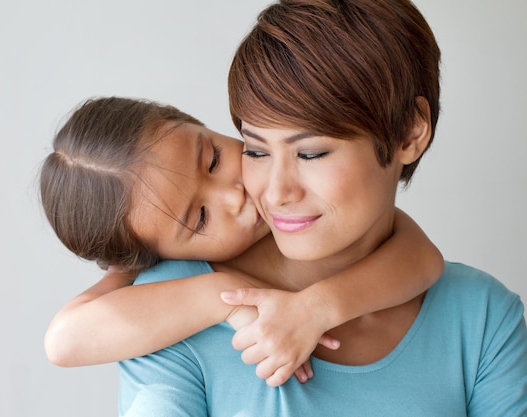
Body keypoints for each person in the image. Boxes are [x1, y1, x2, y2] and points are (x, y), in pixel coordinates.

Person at [118, 0, 527, 415]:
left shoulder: (481, 318)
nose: (276, 193)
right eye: (257, 151)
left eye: (311, 154)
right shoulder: (168, 309)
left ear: (409, 132)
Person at [41, 95, 443, 385]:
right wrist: (223, 295)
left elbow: (424, 258)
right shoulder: (168, 282)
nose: (233, 194)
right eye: (199, 217)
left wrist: (316, 308)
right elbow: (63, 341)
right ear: (154, 257)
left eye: (213, 159)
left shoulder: (299, 205)